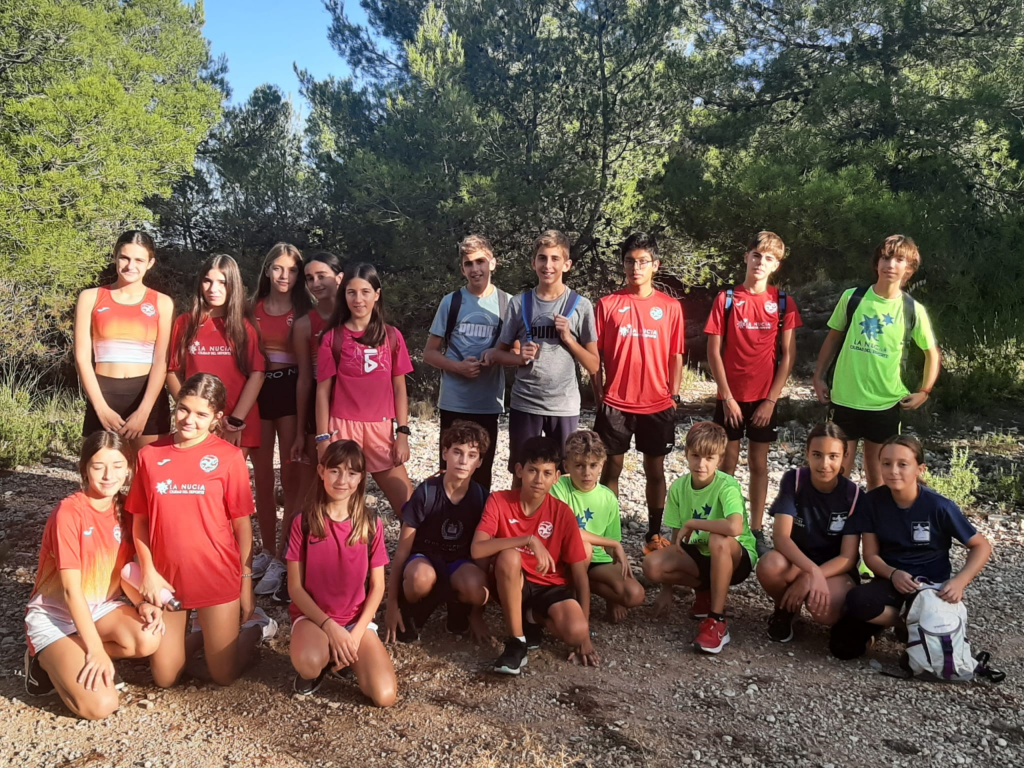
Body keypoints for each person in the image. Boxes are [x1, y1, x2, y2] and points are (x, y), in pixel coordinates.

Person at [127, 373, 276, 688]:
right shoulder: (149, 455)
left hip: (216, 573)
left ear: (217, 417)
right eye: (183, 409)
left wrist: (245, 584)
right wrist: (148, 572)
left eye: (201, 414)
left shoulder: (229, 457)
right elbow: (139, 521)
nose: (189, 420)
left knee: (223, 675)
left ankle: (256, 629)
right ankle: (201, 635)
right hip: (166, 579)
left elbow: (242, 526)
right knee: (165, 678)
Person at [23, 431, 164, 719]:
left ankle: (70, 655)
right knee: (100, 706)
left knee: (148, 638)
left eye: (117, 465)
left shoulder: (126, 508)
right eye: (98, 467)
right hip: (56, 616)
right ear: (84, 469)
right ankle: (43, 660)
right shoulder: (69, 512)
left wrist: (142, 603)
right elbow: (70, 591)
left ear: (128, 468)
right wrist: (95, 648)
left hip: (100, 608)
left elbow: (125, 568)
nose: (109, 475)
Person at [837, 435, 991, 658]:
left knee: (934, 658)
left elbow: (981, 546)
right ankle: (905, 623)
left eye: (903, 464)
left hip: (930, 588)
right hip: (892, 582)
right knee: (844, 643)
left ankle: (918, 622)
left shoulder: (939, 506)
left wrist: (959, 582)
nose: (893, 471)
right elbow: (870, 556)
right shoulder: (872, 502)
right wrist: (893, 574)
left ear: (920, 469)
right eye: (886, 463)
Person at [812, 235, 941, 489]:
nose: (890, 264)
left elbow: (932, 353)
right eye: (885, 257)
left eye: (899, 259)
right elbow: (833, 338)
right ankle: (840, 517)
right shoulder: (853, 298)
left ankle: (872, 518)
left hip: (885, 405)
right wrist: (818, 377)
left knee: (879, 480)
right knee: (837, 477)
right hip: (844, 400)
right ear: (876, 262)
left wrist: (924, 391)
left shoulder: (912, 309)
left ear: (909, 268)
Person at [705, 231, 802, 555]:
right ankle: (726, 524)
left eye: (769, 258)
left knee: (759, 464)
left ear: (776, 265)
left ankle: (756, 528)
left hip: (764, 399)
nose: (761, 262)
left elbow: (788, 356)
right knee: (727, 463)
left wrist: (771, 400)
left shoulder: (783, 303)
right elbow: (714, 352)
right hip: (730, 397)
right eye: (757, 255)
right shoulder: (726, 299)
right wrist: (727, 397)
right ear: (746, 257)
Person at [471, 436, 598, 675]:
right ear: (519, 470)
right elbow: (477, 549)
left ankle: (533, 616)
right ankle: (517, 642)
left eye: (547, 473)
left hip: (549, 585)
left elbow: (580, 576)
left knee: (576, 632)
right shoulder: (499, 500)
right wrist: (528, 540)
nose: (539, 480)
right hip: (512, 581)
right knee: (509, 557)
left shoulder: (563, 513)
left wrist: (586, 634)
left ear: (556, 477)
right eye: (532, 470)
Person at [483, 230, 599, 486]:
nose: (548, 265)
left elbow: (593, 364)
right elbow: (498, 354)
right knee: (522, 473)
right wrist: (519, 358)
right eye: (542, 258)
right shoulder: (519, 304)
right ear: (533, 263)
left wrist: (569, 339)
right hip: (526, 404)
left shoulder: (581, 306)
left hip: (564, 405)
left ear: (567, 264)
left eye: (555, 259)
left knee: (565, 477)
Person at [592, 232, 684, 552]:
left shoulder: (670, 307)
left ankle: (654, 534)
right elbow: (595, 354)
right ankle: (608, 534)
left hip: (657, 403)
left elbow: (676, 354)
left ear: (655, 265)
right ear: (623, 264)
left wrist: (674, 395)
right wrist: (598, 392)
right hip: (616, 402)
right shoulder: (607, 304)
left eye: (643, 261)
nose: (636, 268)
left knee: (654, 470)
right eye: (630, 261)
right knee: (611, 469)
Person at [285, 440, 396, 705]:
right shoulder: (304, 521)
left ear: (361, 478)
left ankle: (343, 656)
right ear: (321, 471)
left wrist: (355, 635)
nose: (342, 480)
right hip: (314, 618)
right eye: (334, 471)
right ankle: (325, 660)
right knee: (309, 663)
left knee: (385, 696)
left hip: (355, 621)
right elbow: (295, 588)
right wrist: (330, 627)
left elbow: (378, 587)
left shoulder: (371, 523)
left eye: (352, 473)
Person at [642, 422, 758, 654]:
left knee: (718, 539)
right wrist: (667, 589)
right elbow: (677, 542)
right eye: (695, 456)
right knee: (651, 565)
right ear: (686, 454)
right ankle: (705, 592)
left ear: (720, 459)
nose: (701, 464)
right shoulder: (678, 487)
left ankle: (717, 620)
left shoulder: (727, 485)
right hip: (700, 555)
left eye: (709, 458)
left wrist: (694, 523)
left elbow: (734, 526)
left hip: (735, 557)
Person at [315, 263, 415, 518]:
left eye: (365, 292)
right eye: (351, 292)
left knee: (410, 507)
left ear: (377, 294)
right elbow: (322, 392)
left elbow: (399, 387)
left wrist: (402, 432)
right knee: (338, 506)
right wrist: (322, 438)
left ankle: (413, 546)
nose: (358, 299)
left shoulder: (392, 336)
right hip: (342, 428)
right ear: (344, 295)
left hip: (381, 428)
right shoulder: (332, 338)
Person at [385, 421, 493, 645]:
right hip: (424, 559)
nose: (463, 461)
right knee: (420, 578)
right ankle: (413, 607)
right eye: (457, 452)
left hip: (458, 562)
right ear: (445, 453)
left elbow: (483, 555)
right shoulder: (426, 492)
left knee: (478, 589)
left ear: (480, 462)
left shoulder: (481, 498)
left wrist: (477, 613)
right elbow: (402, 551)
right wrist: (391, 604)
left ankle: (458, 608)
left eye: (472, 455)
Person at [756, 423, 866, 643]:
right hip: (797, 561)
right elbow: (781, 538)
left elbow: (847, 557)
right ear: (807, 453)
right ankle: (787, 609)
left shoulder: (853, 496)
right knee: (769, 565)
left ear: (845, 456)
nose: (824, 464)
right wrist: (810, 571)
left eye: (833, 456)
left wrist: (812, 576)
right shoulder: (794, 480)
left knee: (825, 612)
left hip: (833, 569)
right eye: (817, 454)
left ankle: (855, 625)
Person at [250, 243, 313, 602]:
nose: (284, 275)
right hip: (259, 390)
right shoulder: (252, 308)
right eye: (277, 268)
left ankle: (283, 556)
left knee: (291, 475)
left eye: (291, 269)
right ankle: (266, 549)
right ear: (267, 270)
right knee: (261, 477)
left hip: (290, 390)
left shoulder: (304, 310)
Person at [423, 235, 510, 490]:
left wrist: (496, 356)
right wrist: (458, 367)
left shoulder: (507, 303)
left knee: (481, 473)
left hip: (487, 403)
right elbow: (430, 353)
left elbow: (516, 353)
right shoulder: (451, 302)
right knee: (450, 472)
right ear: (462, 269)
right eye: (468, 264)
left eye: (480, 261)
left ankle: (479, 517)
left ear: (492, 263)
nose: (475, 269)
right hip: (454, 401)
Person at [74, 231, 174, 450]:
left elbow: (162, 361)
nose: (131, 266)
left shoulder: (162, 302)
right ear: (115, 257)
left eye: (139, 260)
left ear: (150, 263)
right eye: (125, 258)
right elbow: (81, 358)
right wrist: (100, 408)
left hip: (147, 398)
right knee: (99, 469)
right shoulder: (90, 297)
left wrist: (144, 411)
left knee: (148, 470)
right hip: (103, 395)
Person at [167, 254, 265, 456]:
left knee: (229, 476)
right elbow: (172, 371)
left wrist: (235, 420)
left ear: (233, 286)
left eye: (222, 282)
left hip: (235, 423)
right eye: (207, 281)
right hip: (198, 423)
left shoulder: (244, 327)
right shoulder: (185, 323)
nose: (213, 289)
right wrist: (192, 412)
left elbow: (257, 373)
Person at [550, 430, 645, 623]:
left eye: (593, 465)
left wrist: (614, 599)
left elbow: (611, 545)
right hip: (564, 559)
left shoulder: (607, 497)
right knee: (583, 548)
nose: (587, 472)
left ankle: (588, 588)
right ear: (566, 465)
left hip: (597, 560)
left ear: (602, 464)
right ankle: (572, 596)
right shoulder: (558, 487)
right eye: (579, 465)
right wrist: (612, 544)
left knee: (634, 594)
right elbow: (567, 531)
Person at [292, 252, 344, 501]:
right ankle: (301, 527)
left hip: (353, 403)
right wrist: (300, 431)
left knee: (347, 477)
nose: (315, 283)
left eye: (322, 276)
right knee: (312, 482)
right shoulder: (304, 324)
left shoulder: (358, 316)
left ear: (339, 278)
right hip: (318, 402)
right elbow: (304, 379)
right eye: (310, 278)